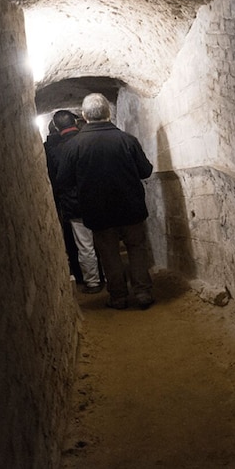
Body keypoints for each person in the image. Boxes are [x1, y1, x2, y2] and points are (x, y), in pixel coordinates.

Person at [57, 93, 155, 310]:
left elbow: (63, 181)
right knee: (137, 249)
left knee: (109, 255)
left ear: (84, 116)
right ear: (108, 113)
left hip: (98, 212)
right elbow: (145, 171)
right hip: (131, 208)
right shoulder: (127, 140)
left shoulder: (73, 147)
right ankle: (142, 293)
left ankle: (118, 297)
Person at [50, 110, 104, 294]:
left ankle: (93, 281)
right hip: (99, 198)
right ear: (75, 121)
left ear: (57, 128)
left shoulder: (56, 150)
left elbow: (59, 180)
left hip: (75, 203)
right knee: (105, 241)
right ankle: (113, 278)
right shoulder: (91, 141)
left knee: (85, 246)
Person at [44, 117, 85, 287]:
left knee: (81, 243)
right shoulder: (83, 142)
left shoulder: (54, 149)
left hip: (69, 202)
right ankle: (101, 276)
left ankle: (86, 277)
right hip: (91, 198)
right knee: (97, 241)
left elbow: (57, 178)